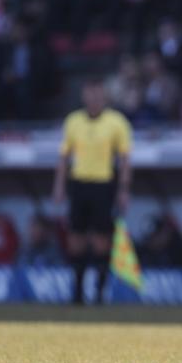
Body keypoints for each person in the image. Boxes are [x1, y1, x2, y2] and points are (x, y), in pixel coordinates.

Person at [53, 79, 132, 304]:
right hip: (78, 184)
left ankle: (99, 292)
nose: (94, 100)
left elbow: (125, 158)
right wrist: (58, 186)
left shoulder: (116, 122)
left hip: (104, 185)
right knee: (75, 239)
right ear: (84, 97)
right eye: (90, 95)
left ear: (104, 98)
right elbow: (64, 157)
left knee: (101, 240)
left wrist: (124, 189)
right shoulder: (73, 121)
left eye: (98, 95)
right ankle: (77, 292)